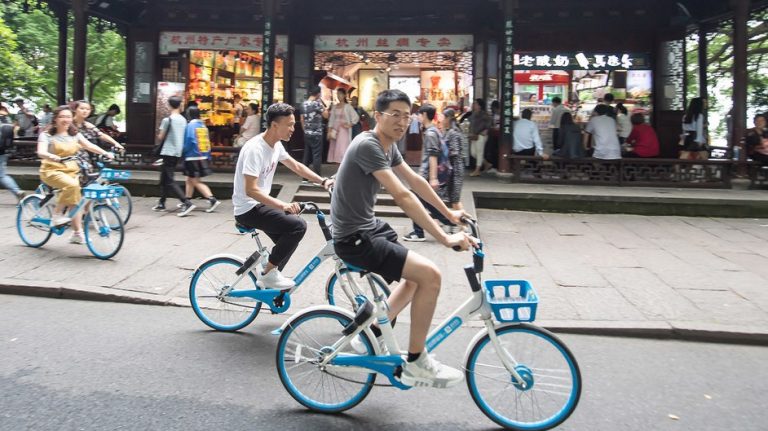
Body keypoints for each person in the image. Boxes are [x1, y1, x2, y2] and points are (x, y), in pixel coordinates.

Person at [331, 89, 474, 388]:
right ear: (377, 116)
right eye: (394, 114)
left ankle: (372, 333)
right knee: (431, 276)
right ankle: (416, 362)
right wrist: (445, 238)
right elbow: (402, 195)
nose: (401, 121)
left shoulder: (388, 145)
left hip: (369, 228)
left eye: (407, 116)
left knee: (415, 278)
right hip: (354, 238)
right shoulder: (368, 144)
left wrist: (449, 214)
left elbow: (416, 181)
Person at [232, 102, 333, 289]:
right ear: (274, 125)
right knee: (297, 226)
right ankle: (268, 276)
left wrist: (323, 181)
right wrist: (283, 205)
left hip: (260, 204)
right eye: (290, 124)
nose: (293, 129)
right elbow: (251, 190)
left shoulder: (275, 145)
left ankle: (271, 281)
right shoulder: (255, 148)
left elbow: (296, 166)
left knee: (287, 240)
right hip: (248, 207)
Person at [36, 106, 115, 244]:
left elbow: (89, 146)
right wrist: (53, 157)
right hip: (51, 170)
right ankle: (57, 215)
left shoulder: (75, 134)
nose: (65, 119)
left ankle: (77, 233)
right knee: (72, 186)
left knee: (76, 201)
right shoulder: (46, 135)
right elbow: (41, 152)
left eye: (68, 116)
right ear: (55, 119)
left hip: (72, 171)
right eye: (62, 117)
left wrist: (105, 153)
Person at [403, 104, 455, 242]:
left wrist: (433, 178)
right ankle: (450, 220)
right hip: (425, 174)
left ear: (425, 115)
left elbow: (433, 156)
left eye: (419, 114)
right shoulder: (434, 130)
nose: (418, 117)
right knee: (427, 203)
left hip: (426, 175)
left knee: (416, 201)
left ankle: (419, 232)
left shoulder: (431, 133)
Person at [153, 96, 196, 216]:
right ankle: (162, 202)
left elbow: (160, 137)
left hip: (168, 151)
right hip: (178, 152)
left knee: (170, 179)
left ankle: (186, 202)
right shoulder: (183, 120)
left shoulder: (168, 120)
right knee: (164, 177)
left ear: (169, 105)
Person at [182, 106, 220, 212]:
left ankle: (212, 199)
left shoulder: (190, 125)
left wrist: (183, 151)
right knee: (189, 179)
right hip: (202, 155)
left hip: (192, 156)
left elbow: (189, 140)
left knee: (195, 180)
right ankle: (187, 200)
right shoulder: (202, 125)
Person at [441, 108, 466, 211]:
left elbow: (454, 152)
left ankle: (465, 223)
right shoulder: (450, 131)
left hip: (455, 168)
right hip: (452, 168)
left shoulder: (453, 132)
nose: (442, 120)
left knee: (455, 199)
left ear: (448, 118)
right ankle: (462, 224)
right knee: (453, 199)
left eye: (443, 118)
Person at [300, 85, 328, 176]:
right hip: (317, 133)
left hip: (307, 132)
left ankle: (305, 177)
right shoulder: (317, 104)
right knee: (316, 155)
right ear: (319, 94)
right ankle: (317, 176)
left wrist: (305, 130)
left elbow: (302, 119)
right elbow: (326, 115)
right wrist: (323, 105)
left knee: (307, 155)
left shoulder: (303, 104)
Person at [327, 88, 359, 163]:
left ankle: (342, 170)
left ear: (344, 95)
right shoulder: (334, 107)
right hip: (335, 131)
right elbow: (331, 120)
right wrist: (329, 131)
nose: (338, 96)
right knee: (335, 150)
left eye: (340, 94)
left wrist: (349, 125)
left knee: (342, 150)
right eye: (337, 94)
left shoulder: (348, 106)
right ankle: (338, 171)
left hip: (344, 131)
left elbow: (356, 117)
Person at [1, 112, 25, 201]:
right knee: (2, 175)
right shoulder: (6, 118)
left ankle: (17, 191)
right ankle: (17, 191)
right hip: (3, 152)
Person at [468, 98, 492, 176]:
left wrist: (486, 130)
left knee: (479, 152)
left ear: (479, 106)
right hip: (474, 135)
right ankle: (487, 164)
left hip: (481, 135)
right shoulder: (473, 113)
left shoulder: (483, 114)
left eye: (475, 103)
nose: (473, 105)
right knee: (473, 153)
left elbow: (489, 122)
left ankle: (477, 170)